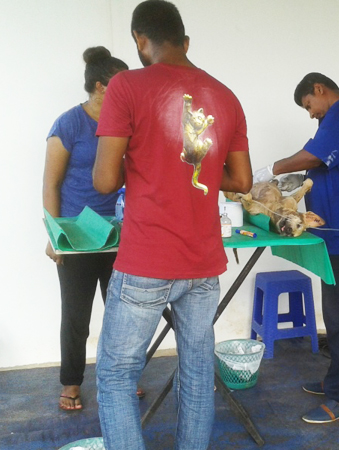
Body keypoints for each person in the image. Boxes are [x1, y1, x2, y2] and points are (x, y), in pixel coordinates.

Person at [92, 1, 252, 448]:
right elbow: (241, 180)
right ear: (185, 41)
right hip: (202, 264)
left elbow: (103, 180)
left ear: (140, 40)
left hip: (147, 260)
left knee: (117, 375)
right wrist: (194, 167)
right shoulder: (225, 96)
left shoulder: (127, 86)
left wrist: (143, 159)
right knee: (197, 374)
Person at [253, 73, 339, 424]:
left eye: (309, 105)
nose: (310, 114)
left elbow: (314, 156)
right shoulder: (335, 118)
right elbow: (321, 165)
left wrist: (271, 169)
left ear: (319, 90)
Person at [43, 46, 129, 411]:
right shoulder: (69, 124)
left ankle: (122, 377)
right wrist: (54, 237)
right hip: (77, 236)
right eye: (121, 85)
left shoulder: (126, 123)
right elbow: (51, 184)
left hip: (119, 233)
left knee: (122, 315)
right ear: (99, 87)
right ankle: (72, 382)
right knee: (76, 315)